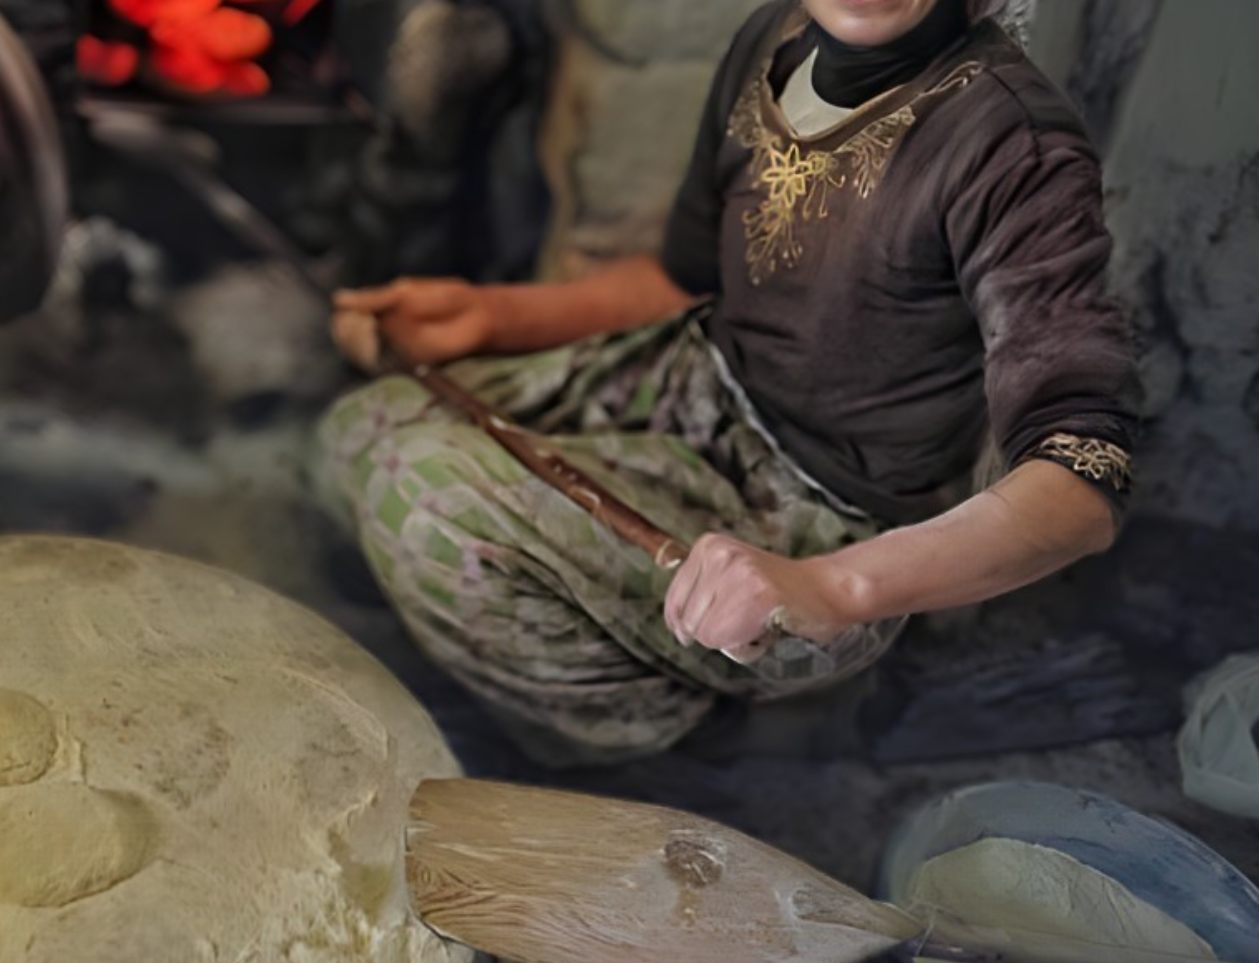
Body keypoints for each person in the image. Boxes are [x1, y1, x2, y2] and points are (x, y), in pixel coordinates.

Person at [321, 0, 1137, 766]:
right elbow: (687, 276)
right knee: (363, 426)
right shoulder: (773, 38)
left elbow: (1082, 483)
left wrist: (832, 585)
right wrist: (492, 318)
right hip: (695, 381)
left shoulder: (1010, 146)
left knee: (425, 499)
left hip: (821, 517)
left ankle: (685, 741)